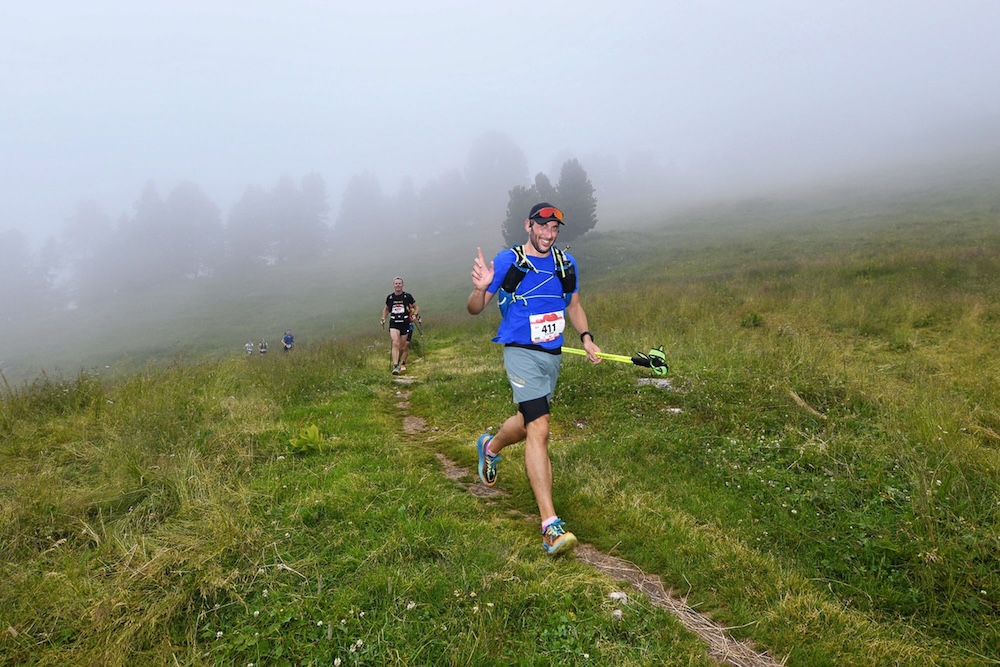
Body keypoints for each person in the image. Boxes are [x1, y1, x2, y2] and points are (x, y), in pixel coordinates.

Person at [467, 202, 601, 556]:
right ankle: (549, 526)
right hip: (520, 353)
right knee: (540, 426)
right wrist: (481, 289)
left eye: (555, 229)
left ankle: (490, 447)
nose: (548, 234)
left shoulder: (565, 264)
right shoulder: (509, 260)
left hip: (552, 356)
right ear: (528, 225)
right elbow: (474, 308)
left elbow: (573, 305)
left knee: (528, 424)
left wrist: (586, 337)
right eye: (542, 227)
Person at [380, 276, 419, 375]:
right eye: (396, 283)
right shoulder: (390, 297)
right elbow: (386, 309)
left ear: (402, 285)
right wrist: (383, 318)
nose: (398, 285)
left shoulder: (407, 296)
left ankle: (400, 361)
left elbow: (416, 306)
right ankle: (395, 365)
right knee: (395, 343)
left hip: (405, 323)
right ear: (393, 285)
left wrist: (414, 315)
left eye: (399, 283)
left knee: (402, 347)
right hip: (394, 323)